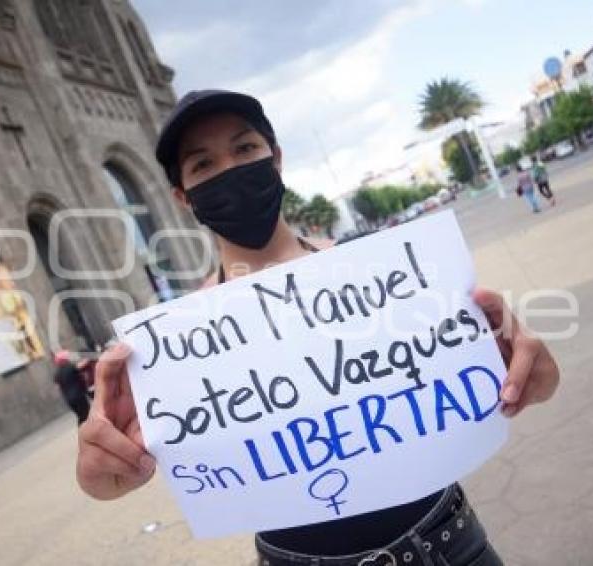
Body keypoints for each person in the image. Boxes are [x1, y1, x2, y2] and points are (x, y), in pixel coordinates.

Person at [76, 90, 560, 565]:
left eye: (245, 149)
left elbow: (512, 374)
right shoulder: (174, 349)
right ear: (184, 197)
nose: (230, 171)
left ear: (276, 159)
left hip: (447, 546)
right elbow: (134, 461)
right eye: (203, 164)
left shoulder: (387, 275)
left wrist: (529, 375)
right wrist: (107, 470)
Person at [53, 350, 90, 424]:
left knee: (81, 416)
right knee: (87, 414)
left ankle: (82, 431)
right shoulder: (71, 367)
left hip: (69, 400)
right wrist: (86, 390)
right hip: (79, 396)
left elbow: (58, 387)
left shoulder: (57, 374)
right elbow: (81, 378)